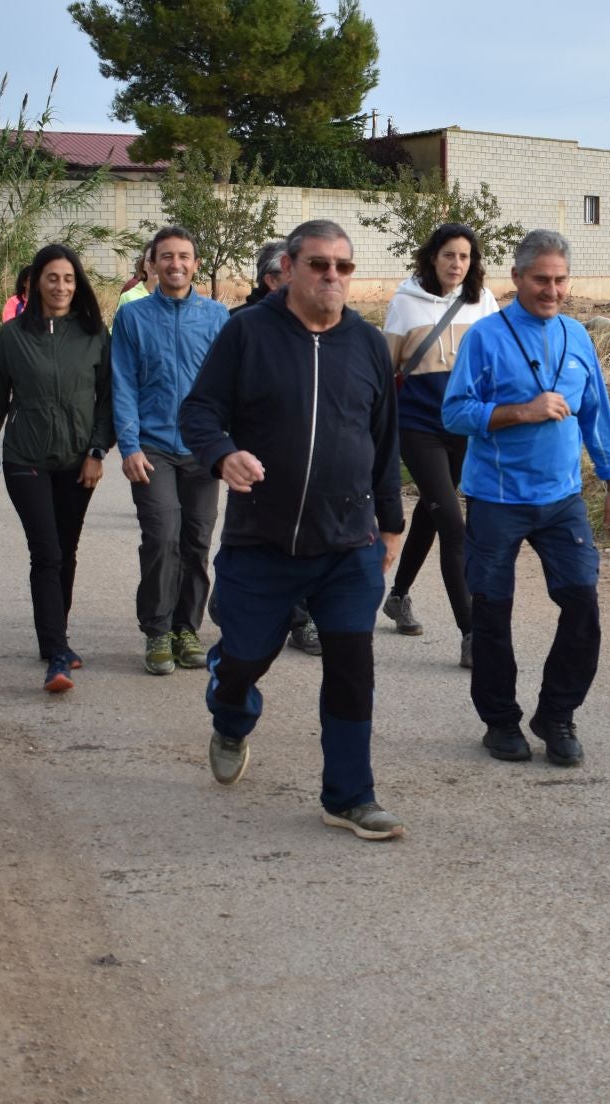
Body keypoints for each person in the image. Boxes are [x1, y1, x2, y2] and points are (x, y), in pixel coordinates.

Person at [180, 218, 408, 840]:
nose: (333, 276)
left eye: (344, 266)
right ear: (289, 268)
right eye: (319, 265)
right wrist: (223, 453)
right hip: (263, 542)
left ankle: (349, 796)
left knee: (351, 665)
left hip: (347, 544)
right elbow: (199, 410)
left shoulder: (365, 344)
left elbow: (384, 441)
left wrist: (391, 523)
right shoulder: (247, 333)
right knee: (246, 659)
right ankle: (230, 714)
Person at [441, 229, 610, 768]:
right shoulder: (485, 337)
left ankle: (557, 715)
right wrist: (520, 410)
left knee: (582, 606)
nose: (552, 290)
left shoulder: (577, 336)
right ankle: (500, 722)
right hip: (497, 499)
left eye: (560, 280)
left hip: (562, 499)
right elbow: (454, 413)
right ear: (517, 278)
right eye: (541, 279)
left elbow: (597, 414)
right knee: (492, 614)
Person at [0, 245, 113, 694]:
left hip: (78, 461)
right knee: (46, 552)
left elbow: (107, 401)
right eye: (52, 278)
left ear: (77, 283)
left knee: (66, 550)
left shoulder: (93, 334)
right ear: (34, 283)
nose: (61, 287)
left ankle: (53, 638)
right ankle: (58, 651)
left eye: (68, 279)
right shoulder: (12, 337)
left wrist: (97, 451)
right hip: (25, 460)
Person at [382, 222, 502, 667]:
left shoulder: (483, 302)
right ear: (432, 257)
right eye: (449, 255)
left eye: (465, 257)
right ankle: (472, 634)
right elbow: (384, 368)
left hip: (465, 427)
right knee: (454, 525)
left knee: (434, 514)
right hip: (418, 427)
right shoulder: (405, 303)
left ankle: (397, 596)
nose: (457, 264)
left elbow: (497, 362)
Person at [111, 225, 229, 675]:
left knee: (197, 541)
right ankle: (157, 630)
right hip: (153, 448)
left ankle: (187, 628)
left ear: (196, 264)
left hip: (202, 449)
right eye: (166, 256)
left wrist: (226, 444)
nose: (175, 264)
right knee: (162, 537)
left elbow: (228, 387)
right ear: (152, 264)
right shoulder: (133, 317)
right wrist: (129, 445)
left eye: (184, 256)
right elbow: (122, 383)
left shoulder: (217, 317)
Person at [229, 239, 323, 657]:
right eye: (295, 271)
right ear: (272, 279)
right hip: (257, 456)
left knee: (307, 536)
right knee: (266, 539)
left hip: (311, 454)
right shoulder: (242, 324)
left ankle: (303, 619)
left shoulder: (324, 324)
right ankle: (238, 595)